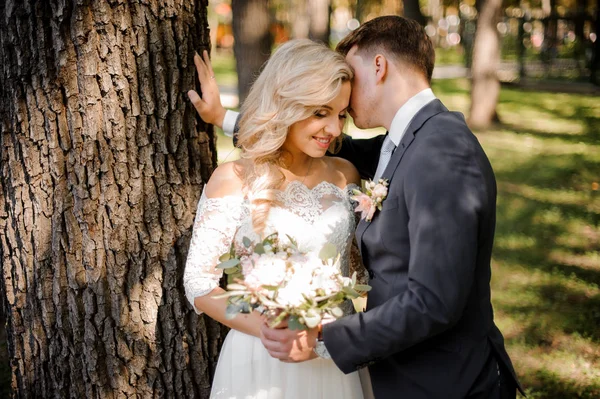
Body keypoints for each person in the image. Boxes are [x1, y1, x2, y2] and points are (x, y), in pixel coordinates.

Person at [191, 16, 524, 399]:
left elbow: (434, 302)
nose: (337, 123)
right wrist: (222, 117)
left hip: (443, 381)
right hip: (372, 366)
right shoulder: (403, 142)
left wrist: (322, 339)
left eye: (350, 77)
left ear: (378, 66)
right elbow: (298, 138)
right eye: (324, 110)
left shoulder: (442, 152)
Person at [183, 39, 373, 399]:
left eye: (341, 114)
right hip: (262, 355)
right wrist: (272, 331)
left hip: (333, 354)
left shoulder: (346, 175)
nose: (334, 129)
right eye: (320, 112)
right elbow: (198, 282)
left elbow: (359, 269)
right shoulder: (233, 179)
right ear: (285, 105)